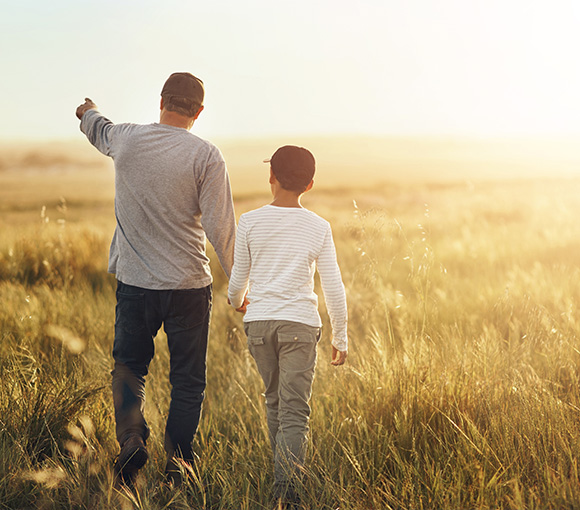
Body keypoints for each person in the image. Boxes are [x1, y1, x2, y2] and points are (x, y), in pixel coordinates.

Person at [75, 72, 237, 487]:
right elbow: (221, 229)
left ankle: (130, 438)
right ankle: (178, 470)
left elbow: (98, 127)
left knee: (129, 368)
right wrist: (240, 286)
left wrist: (87, 110)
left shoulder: (126, 139)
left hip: (136, 285)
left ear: (161, 100)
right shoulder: (206, 155)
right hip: (188, 286)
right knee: (188, 380)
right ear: (199, 112)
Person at [227, 145, 348, 508]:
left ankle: (282, 481)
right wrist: (340, 335)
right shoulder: (318, 227)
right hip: (299, 326)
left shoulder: (248, 221)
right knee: (296, 410)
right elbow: (334, 287)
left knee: (275, 401)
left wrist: (239, 303)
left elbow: (236, 285)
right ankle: (288, 494)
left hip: (259, 325)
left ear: (271, 177)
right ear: (309, 185)